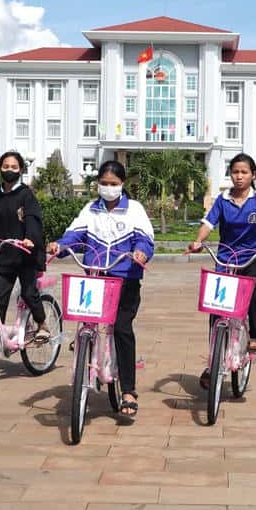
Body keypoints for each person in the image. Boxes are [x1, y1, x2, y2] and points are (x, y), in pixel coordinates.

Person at [47, 160, 154, 420]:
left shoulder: (134, 210)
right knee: (87, 324)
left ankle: (128, 391)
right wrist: (59, 246)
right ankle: (87, 352)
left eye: (113, 184)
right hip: (94, 279)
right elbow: (75, 235)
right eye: (104, 183)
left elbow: (145, 238)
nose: (108, 188)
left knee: (121, 328)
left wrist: (141, 252)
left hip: (124, 279)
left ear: (123, 185)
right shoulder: (90, 210)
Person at [189, 153, 256, 388]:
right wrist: (198, 241)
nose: (239, 177)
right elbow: (208, 223)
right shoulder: (222, 200)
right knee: (217, 306)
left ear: (253, 175)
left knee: (253, 295)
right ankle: (213, 362)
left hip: (254, 257)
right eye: (235, 172)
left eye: (244, 172)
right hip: (226, 258)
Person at [0, 150, 49, 342]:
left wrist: (30, 238)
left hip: (26, 256)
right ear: (0, 169)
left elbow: (33, 219)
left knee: (29, 293)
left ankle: (42, 324)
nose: (9, 170)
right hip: (4, 255)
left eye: (14, 167)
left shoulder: (26, 195)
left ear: (21, 170)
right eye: (5, 166)